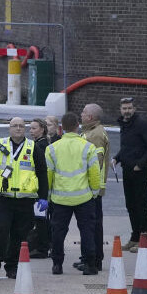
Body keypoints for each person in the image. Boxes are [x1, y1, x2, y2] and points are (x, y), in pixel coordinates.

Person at [0, 117, 48, 280]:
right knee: (1, 232)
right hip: (4, 198)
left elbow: (42, 173)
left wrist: (43, 197)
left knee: (20, 235)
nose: (18, 129)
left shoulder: (33, 147)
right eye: (14, 126)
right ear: (9, 128)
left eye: (21, 126)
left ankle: (12, 267)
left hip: (25, 199)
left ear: (25, 129)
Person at [46, 112, 102, 275]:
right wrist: (94, 191)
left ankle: (57, 264)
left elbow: (48, 173)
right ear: (77, 126)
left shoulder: (52, 148)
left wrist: (48, 194)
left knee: (58, 232)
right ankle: (90, 265)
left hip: (60, 198)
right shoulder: (88, 147)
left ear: (61, 128)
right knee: (87, 231)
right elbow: (94, 172)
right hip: (84, 198)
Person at [112, 97, 147, 252]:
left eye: (129, 108)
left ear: (134, 109)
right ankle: (135, 238)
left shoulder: (142, 124)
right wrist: (117, 158)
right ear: (120, 109)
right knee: (130, 205)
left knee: (141, 205)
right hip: (127, 170)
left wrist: (140, 164)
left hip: (140, 172)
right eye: (124, 108)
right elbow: (127, 147)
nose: (127, 111)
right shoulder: (124, 124)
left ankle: (145, 241)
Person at [77, 103, 109, 271]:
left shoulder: (95, 134)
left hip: (92, 188)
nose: (81, 114)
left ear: (90, 117)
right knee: (88, 224)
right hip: (90, 186)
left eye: (83, 112)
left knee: (93, 225)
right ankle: (87, 257)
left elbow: (96, 163)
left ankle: (95, 259)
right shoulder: (89, 131)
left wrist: (90, 185)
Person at [26, 118, 52, 259]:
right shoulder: (38, 143)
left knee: (40, 218)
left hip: (37, 187)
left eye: (34, 128)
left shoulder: (40, 146)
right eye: (30, 128)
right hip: (36, 186)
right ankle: (42, 245)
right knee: (40, 218)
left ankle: (42, 247)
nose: (31, 131)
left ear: (42, 129)